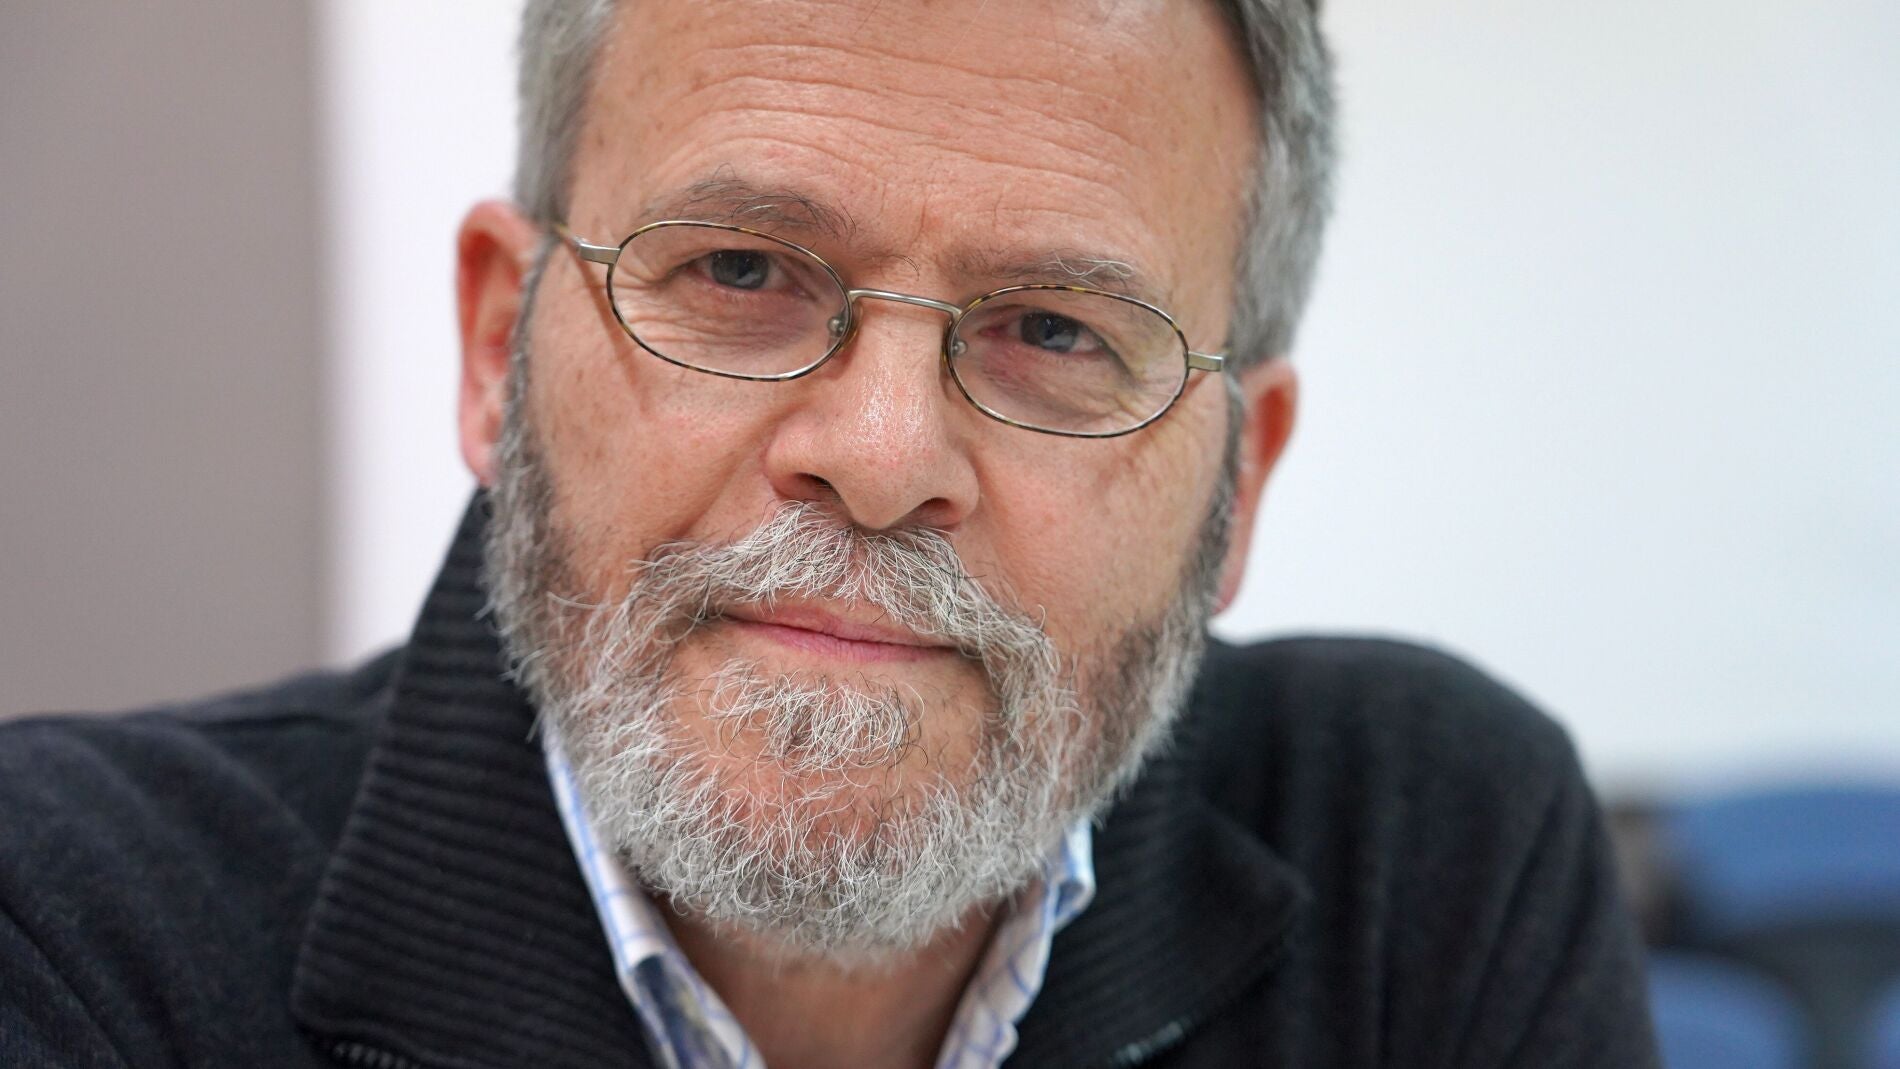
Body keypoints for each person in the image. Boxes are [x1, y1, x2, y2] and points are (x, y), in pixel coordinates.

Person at [0, 1, 1659, 1066]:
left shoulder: (1429, 866)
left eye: (1055, 331)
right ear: (500, 348)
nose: (879, 459)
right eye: (739, 272)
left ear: (1239, 482)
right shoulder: (69, 935)